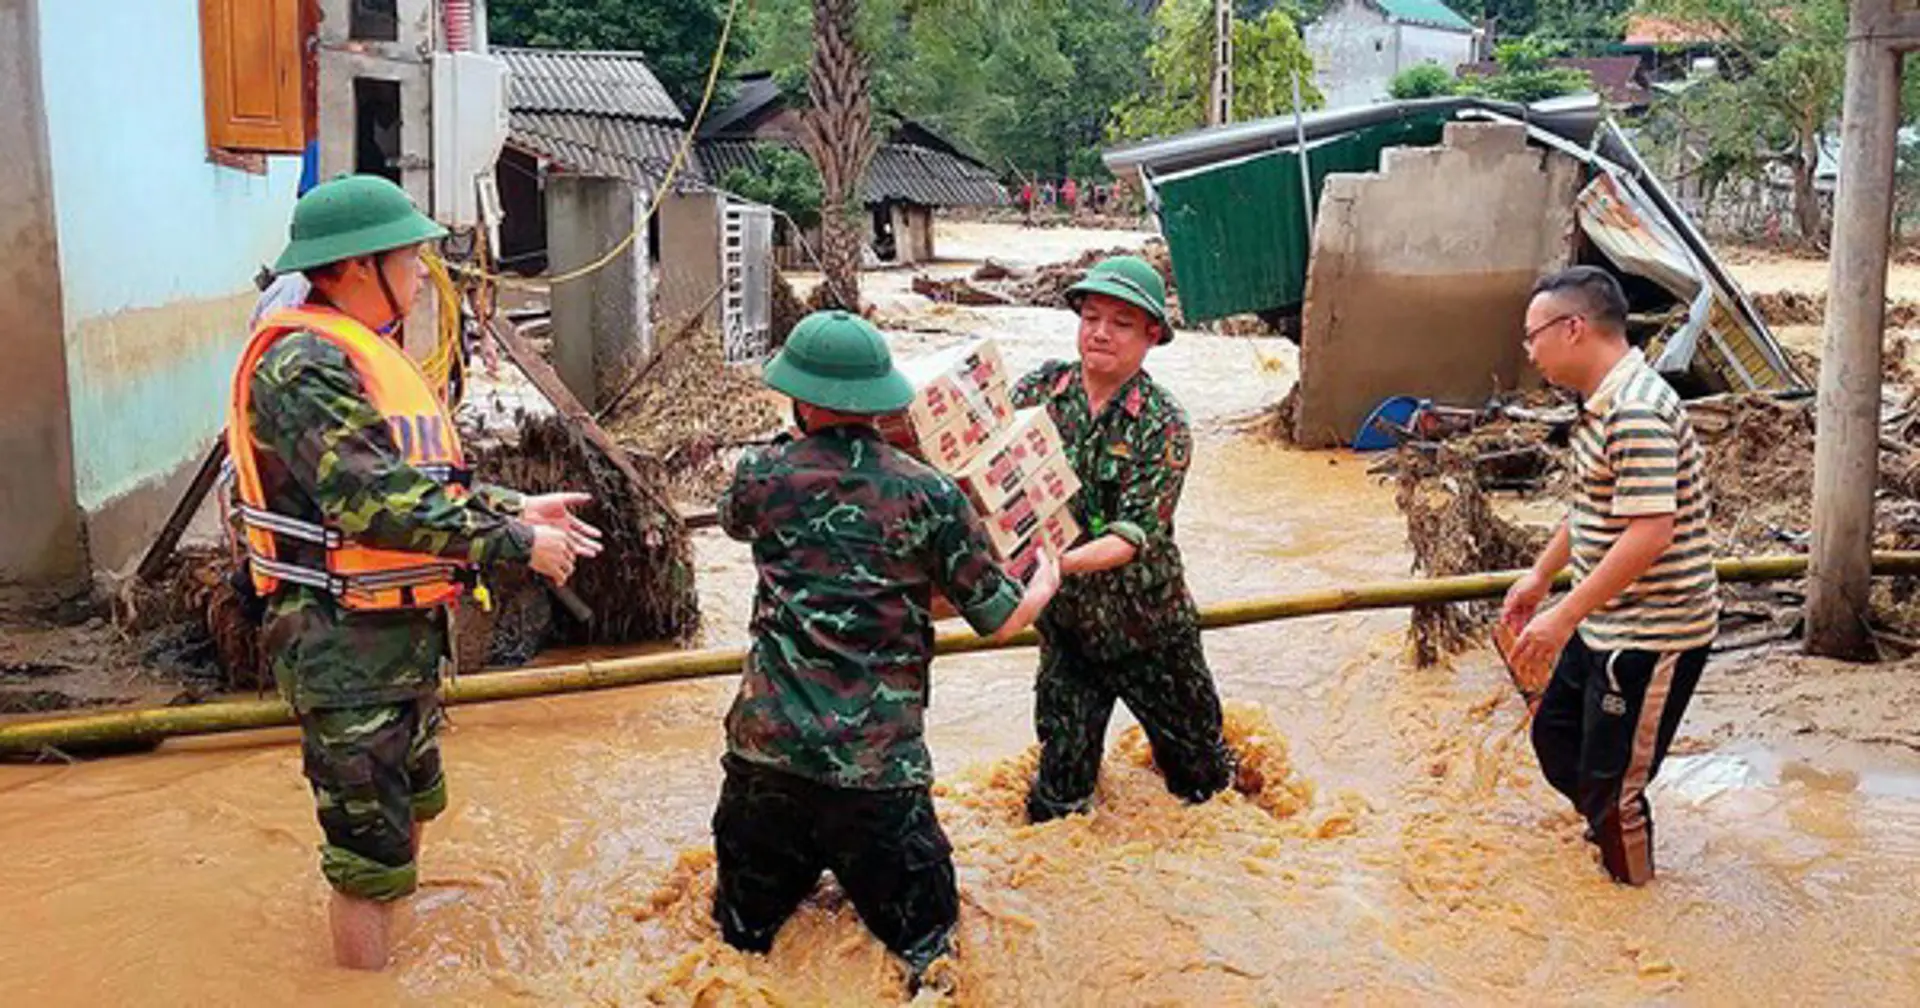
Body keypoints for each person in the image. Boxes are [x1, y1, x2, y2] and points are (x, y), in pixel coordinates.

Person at [227, 174, 601, 969]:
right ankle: (363, 981)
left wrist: (515, 508)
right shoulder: (302, 367)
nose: (421, 272)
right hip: (344, 646)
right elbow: (372, 502)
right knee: (368, 861)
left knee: (411, 810)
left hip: (398, 637)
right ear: (361, 266)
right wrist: (512, 544)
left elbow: (419, 481)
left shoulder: (362, 355)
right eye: (410, 256)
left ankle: (395, 955)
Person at [712, 311, 1061, 987]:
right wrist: (1044, 580)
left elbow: (738, 524)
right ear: (880, 399)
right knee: (930, 948)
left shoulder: (760, 474)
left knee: (740, 945)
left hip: (766, 761)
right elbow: (997, 616)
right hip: (878, 776)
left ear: (800, 397)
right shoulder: (929, 494)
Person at [1500, 266, 1718, 886]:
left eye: (1532, 335)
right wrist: (1541, 577)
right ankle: (1606, 831)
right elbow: (1595, 508)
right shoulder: (1599, 404)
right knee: (1555, 738)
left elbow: (1651, 532)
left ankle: (1637, 912)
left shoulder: (1636, 411)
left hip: (1653, 631)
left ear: (1573, 329)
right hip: (1606, 618)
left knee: (1615, 787)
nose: (1529, 350)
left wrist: (1563, 615)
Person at [1010, 256, 1236, 824]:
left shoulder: (1163, 423)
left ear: (1152, 335)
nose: (1100, 333)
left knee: (1205, 789)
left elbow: (1135, 534)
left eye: (1121, 322)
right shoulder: (1039, 391)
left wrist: (1055, 565)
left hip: (1151, 633)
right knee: (1057, 803)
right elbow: (984, 463)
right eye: (1091, 317)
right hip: (1068, 635)